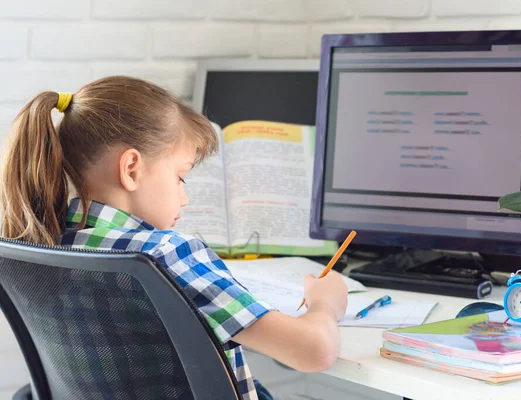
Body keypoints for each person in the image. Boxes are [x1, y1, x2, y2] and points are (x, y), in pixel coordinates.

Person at [0, 76, 348, 400]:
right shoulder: (167, 254)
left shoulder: (36, 242)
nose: (185, 197)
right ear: (132, 168)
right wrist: (325, 303)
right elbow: (313, 352)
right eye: (181, 176)